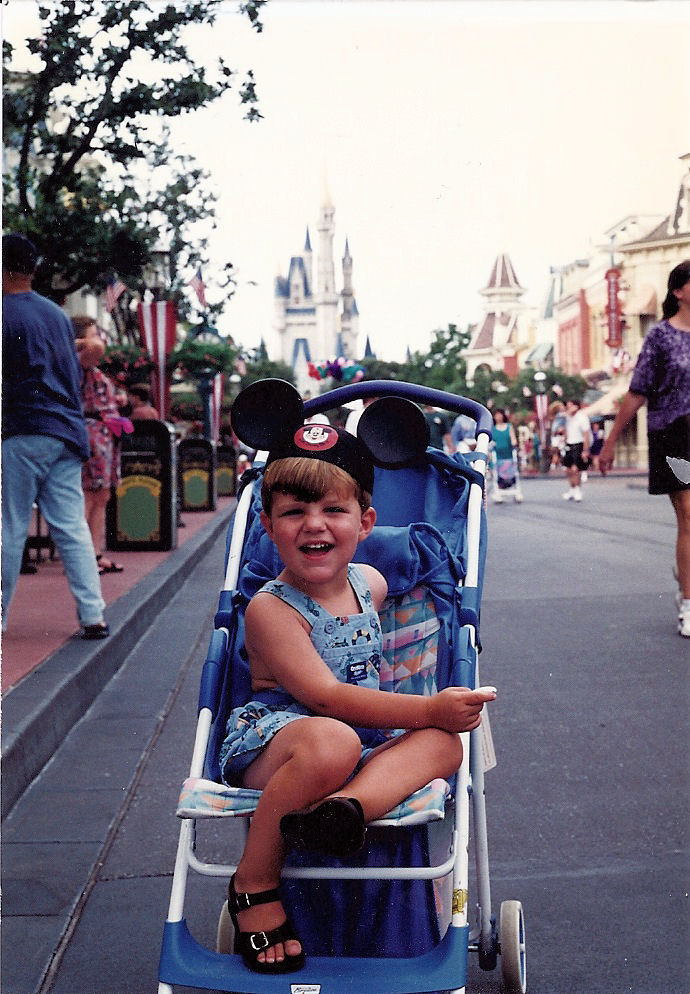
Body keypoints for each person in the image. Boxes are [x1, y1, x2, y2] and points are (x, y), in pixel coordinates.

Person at [218, 417, 495, 973]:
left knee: (445, 746)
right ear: (269, 527)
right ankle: (254, 880)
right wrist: (427, 706)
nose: (313, 526)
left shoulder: (369, 583)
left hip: (355, 748)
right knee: (333, 741)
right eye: (293, 513)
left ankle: (343, 813)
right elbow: (324, 698)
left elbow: (417, 579)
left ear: (365, 522)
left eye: (333, 512)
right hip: (280, 745)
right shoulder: (272, 609)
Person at [2, 233, 108, 638]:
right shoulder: (56, 316)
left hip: (23, 428)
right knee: (71, 527)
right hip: (66, 430)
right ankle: (93, 614)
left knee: (11, 524)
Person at [599, 259, 690, 638]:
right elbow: (637, 391)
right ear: (679, 291)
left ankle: (686, 570)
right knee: (689, 512)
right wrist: (610, 442)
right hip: (675, 434)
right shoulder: (661, 337)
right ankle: (688, 601)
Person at [73, 314, 126, 575]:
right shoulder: (79, 359)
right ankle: (81, 556)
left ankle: (94, 554)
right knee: (90, 495)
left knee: (101, 495)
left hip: (104, 433)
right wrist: (86, 339)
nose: (98, 339)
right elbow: (95, 348)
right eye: (93, 333)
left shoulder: (91, 368)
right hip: (92, 432)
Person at [561, 398, 591, 502]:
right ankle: (572, 489)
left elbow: (586, 434)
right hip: (569, 444)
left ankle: (578, 490)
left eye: (571, 406)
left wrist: (585, 450)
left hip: (579, 444)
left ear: (576, 406)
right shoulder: (567, 418)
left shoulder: (582, 417)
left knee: (576, 469)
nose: (568, 408)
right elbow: (564, 430)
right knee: (568, 469)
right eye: (567, 406)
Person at [491, 408, 521, 503]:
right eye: (496, 415)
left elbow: (513, 439)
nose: (498, 417)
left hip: (509, 455)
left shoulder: (509, 426)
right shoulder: (492, 428)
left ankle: (516, 491)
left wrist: (514, 443)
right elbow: (491, 442)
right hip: (497, 455)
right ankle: (498, 492)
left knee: (513, 473)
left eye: (500, 415)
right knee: (497, 474)